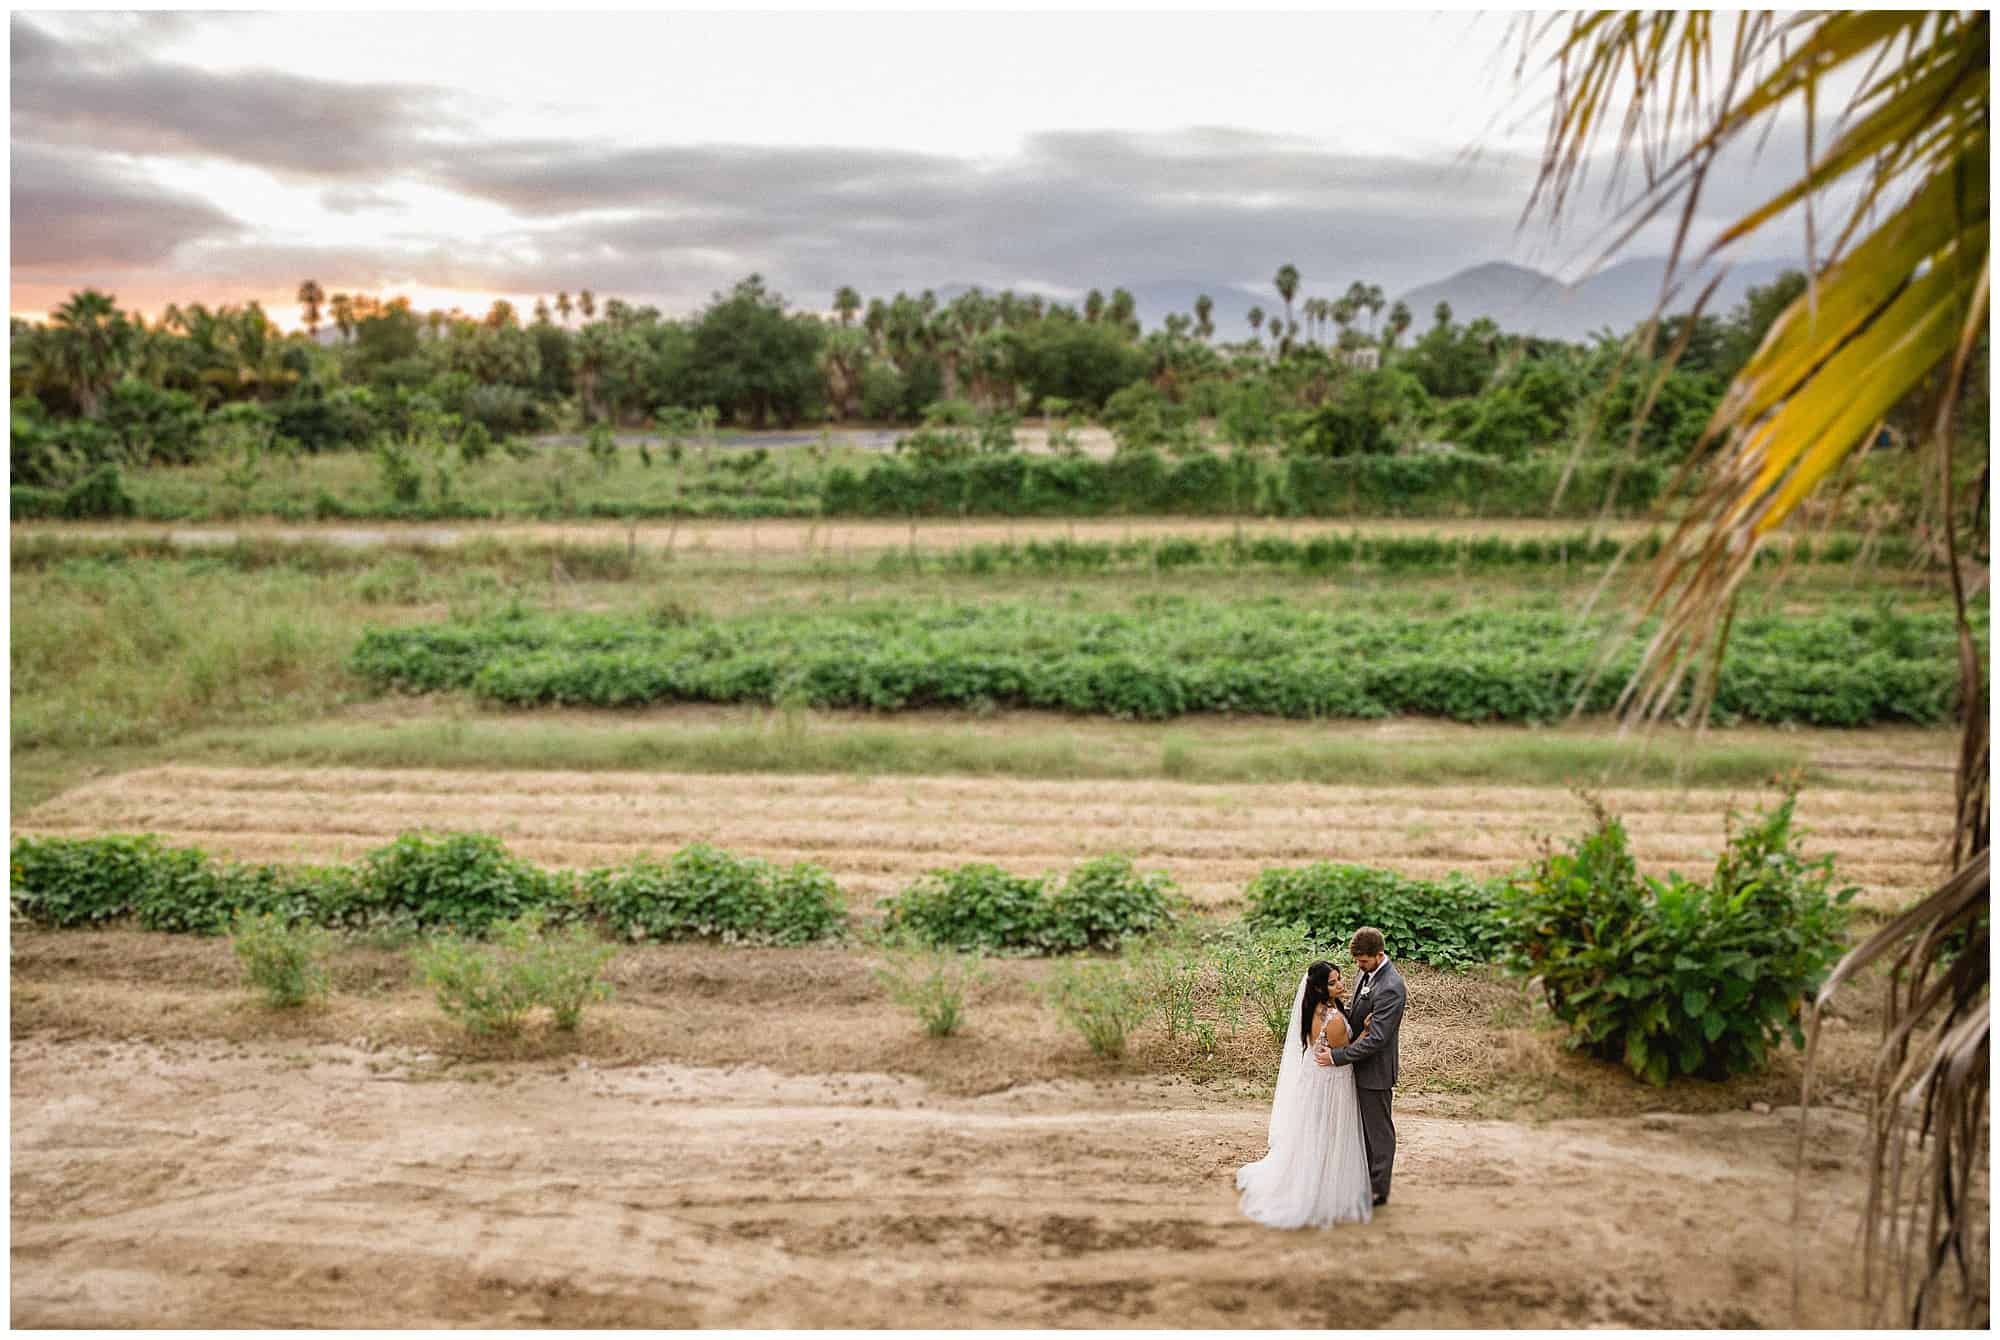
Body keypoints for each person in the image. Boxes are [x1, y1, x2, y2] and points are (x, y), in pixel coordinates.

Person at [1234, 960, 1372, 1228]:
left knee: (1314, 1130)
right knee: (1329, 1132)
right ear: (1320, 988)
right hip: (1332, 1081)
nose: (1341, 984)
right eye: (1333, 982)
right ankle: (1321, 1187)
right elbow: (1346, 1054)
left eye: (1340, 978)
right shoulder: (1331, 1020)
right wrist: (1365, 1031)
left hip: (1316, 1079)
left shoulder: (1319, 1009)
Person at [1315, 926, 1404, 1207]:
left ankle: (1378, 1189)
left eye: (1363, 961)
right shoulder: (1365, 973)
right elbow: (1357, 1015)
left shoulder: (1391, 987)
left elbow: (1378, 1039)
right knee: (1360, 1128)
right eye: (1356, 961)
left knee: (1378, 1131)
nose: (1358, 966)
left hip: (1375, 1070)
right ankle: (1361, 1180)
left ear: (1379, 955)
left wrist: (1338, 1056)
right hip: (1356, 1064)